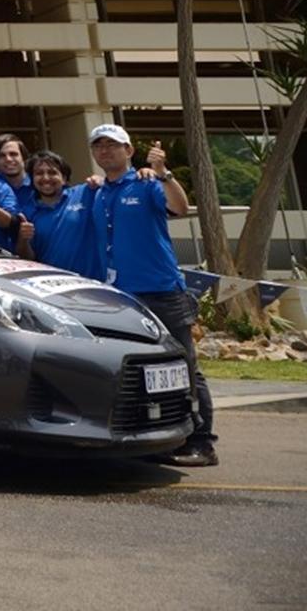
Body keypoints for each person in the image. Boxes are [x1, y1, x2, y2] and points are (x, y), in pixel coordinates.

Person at [88, 125, 215, 467]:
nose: (105, 151)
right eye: (98, 146)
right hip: (121, 296)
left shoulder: (147, 183)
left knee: (185, 365)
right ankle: (158, 438)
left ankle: (202, 441)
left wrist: (164, 173)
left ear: (128, 150)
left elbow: (180, 208)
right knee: (141, 370)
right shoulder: (99, 192)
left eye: (112, 145)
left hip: (162, 291)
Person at [15, 149, 102, 278]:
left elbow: (113, 186)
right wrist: (23, 239)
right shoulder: (26, 212)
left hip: (91, 283)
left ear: (64, 178)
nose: (45, 178)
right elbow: (27, 258)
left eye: (52, 173)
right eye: (39, 173)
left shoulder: (85, 193)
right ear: (32, 179)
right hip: (55, 286)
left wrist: (102, 180)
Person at [0, 133, 32, 201]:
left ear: (24, 157)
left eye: (13, 154)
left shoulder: (38, 185)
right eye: (2, 155)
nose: (8, 159)